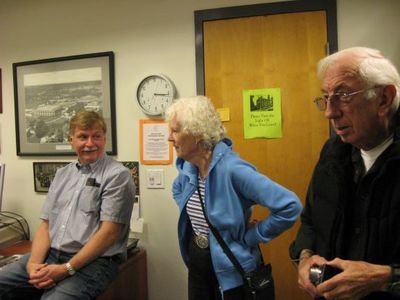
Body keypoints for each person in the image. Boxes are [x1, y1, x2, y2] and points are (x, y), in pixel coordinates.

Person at [289, 47, 400, 300]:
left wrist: (385, 278)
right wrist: (305, 257)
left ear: (383, 99)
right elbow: (309, 222)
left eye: (343, 94)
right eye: (326, 97)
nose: (330, 112)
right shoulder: (332, 153)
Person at [165, 96, 302, 300]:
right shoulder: (188, 167)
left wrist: (252, 236)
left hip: (232, 269)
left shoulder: (233, 170)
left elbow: (290, 206)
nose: (169, 137)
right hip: (198, 264)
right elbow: (177, 190)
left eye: (175, 130)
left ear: (197, 132)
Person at [0, 111, 135, 299]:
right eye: (82, 137)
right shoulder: (62, 174)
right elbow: (46, 225)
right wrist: (33, 264)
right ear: (71, 140)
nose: (90, 143)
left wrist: (66, 269)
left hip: (94, 262)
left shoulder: (117, 176)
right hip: (51, 255)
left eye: (96, 136)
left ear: (104, 139)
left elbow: (109, 233)